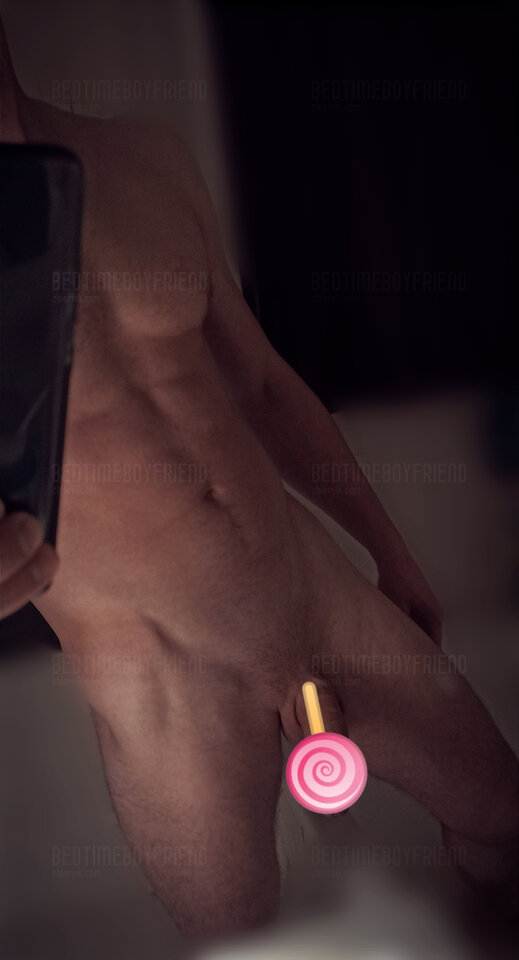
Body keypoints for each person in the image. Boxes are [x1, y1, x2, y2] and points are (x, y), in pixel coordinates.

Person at [0, 22, 517, 941]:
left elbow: (265, 385)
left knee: (503, 823)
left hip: (314, 595)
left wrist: (389, 551)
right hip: (166, 684)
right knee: (251, 948)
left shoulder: (142, 156)